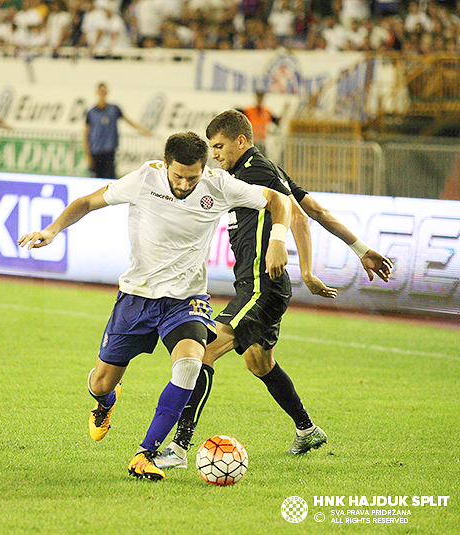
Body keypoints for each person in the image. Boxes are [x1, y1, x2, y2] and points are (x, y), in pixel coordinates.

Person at [18, 131, 293, 480]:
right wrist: (53, 230)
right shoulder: (143, 179)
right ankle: (105, 402)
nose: (183, 184)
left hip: (186, 300)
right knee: (101, 382)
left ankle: (144, 454)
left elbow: (277, 200)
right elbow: (87, 202)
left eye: (192, 177)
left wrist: (278, 241)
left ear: (204, 169)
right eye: (177, 175)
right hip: (137, 297)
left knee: (191, 363)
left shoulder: (219, 184)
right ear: (165, 165)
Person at [154, 110, 393, 470]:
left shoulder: (257, 171)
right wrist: (359, 249)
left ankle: (178, 448)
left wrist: (304, 266)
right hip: (259, 285)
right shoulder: (254, 172)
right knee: (259, 361)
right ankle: (307, 429)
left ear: (240, 140)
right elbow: (316, 209)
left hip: (260, 287)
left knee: (201, 353)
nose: (215, 154)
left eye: (219, 146)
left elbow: (296, 214)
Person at [84, 82, 151, 179]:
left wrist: (143, 130)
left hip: (109, 151)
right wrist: (87, 153)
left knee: (109, 177)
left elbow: (128, 121)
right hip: (96, 151)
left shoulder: (113, 109)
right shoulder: (91, 112)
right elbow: (86, 133)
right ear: (97, 92)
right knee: (95, 178)